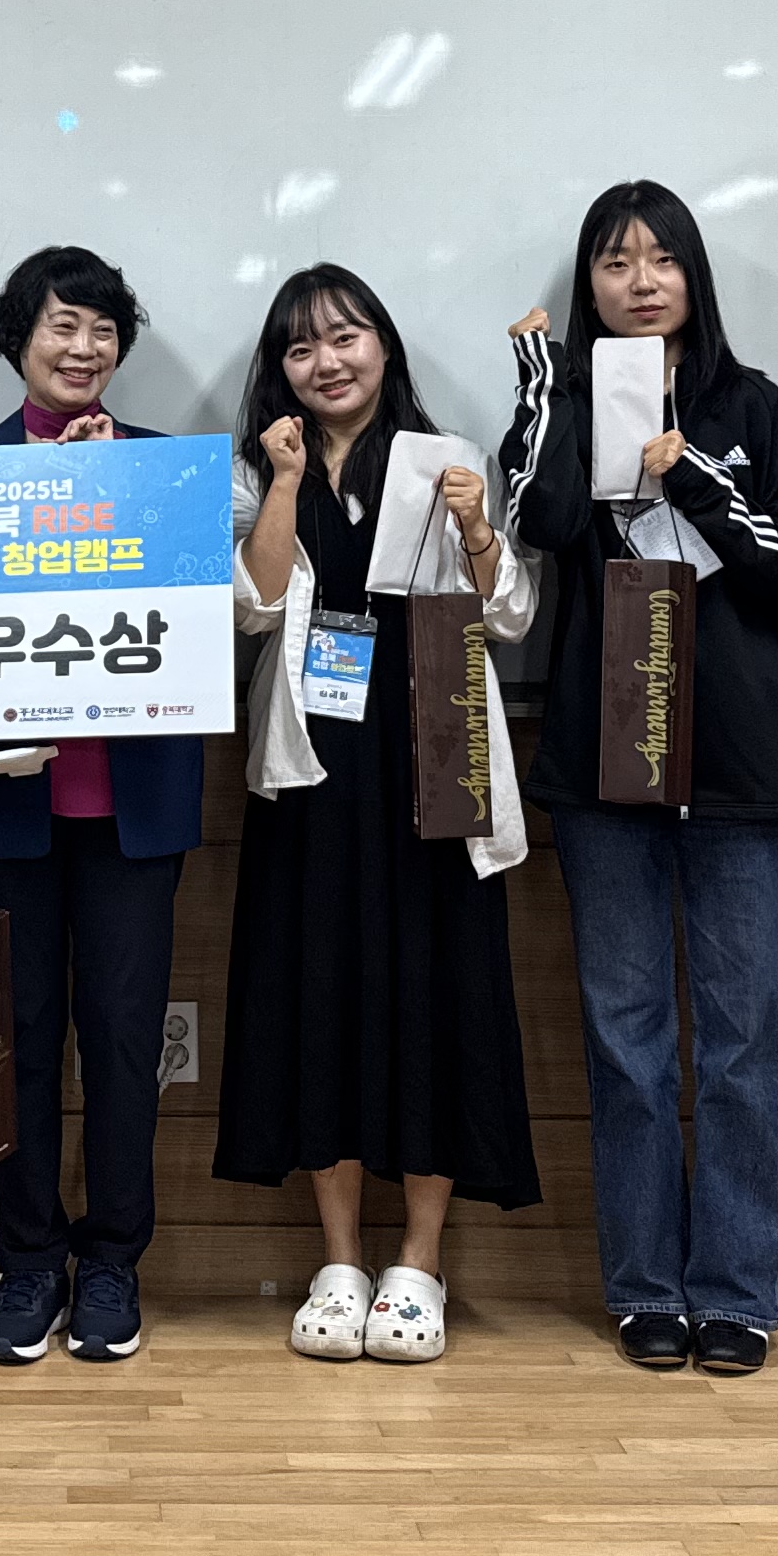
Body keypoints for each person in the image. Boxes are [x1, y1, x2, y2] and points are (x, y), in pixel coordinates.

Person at [502, 183, 778, 1378]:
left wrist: (695, 474)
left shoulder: (753, 405)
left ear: (694, 276)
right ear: (587, 283)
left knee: (743, 1046)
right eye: (614, 262)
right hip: (605, 770)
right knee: (626, 1041)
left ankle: (739, 1292)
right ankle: (646, 1286)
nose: (640, 281)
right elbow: (539, 523)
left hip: (745, 770)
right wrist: (549, 388)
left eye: (662, 259)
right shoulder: (568, 400)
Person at [216, 263, 539, 1364]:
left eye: (346, 336)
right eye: (303, 347)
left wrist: (479, 527)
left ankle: (420, 1260)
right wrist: (282, 485)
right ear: (282, 368)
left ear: (384, 345)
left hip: (432, 761)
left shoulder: (445, 458)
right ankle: (342, 1261)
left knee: (436, 993)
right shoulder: (261, 464)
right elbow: (255, 608)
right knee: (320, 996)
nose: (328, 362)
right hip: (313, 769)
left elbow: (510, 615)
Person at [0, 246, 205, 1370]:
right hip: (3, 804)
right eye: (62, 326)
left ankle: (114, 1261)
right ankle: (30, 1260)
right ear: (19, 341)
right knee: (16, 1038)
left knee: (126, 1043)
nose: (83, 348)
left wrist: (107, 497)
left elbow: (193, 625)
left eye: (102, 329)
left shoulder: (167, 475)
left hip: (133, 807)